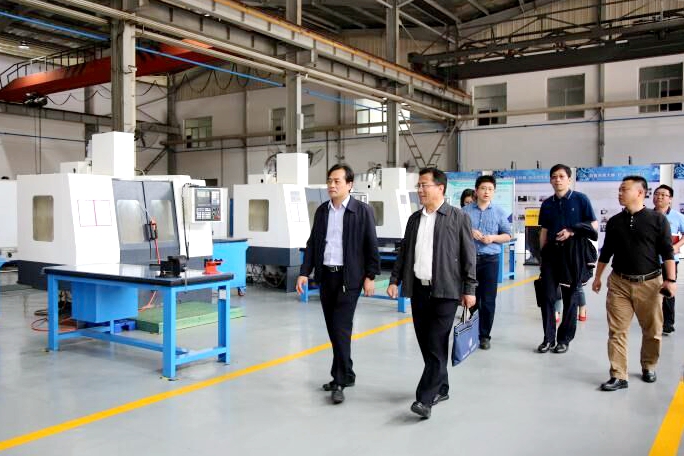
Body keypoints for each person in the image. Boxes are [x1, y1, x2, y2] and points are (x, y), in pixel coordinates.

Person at [387, 167, 477, 419]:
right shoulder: (414, 219)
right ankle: (442, 387)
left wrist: (469, 289)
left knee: (436, 343)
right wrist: (394, 280)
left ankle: (424, 399)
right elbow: (404, 253)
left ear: (440, 188)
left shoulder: (458, 217)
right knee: (428, 345)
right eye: (418, 185)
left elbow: (469, 256)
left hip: (446, 291)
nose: (420, 190)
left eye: (424, 185)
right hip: (419, 290)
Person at [296, 164, 380, 404]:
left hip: (349, 278)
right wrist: (304, 272)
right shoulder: (322, 211)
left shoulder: (362, 211)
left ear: (349, 184)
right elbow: (313, 243)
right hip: (326, 277)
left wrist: (370, 276)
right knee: (334, 329)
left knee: (341, 328)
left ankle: (339, 381)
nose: (331, 185)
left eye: (337, 181)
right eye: (329, 181)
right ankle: (348, 372)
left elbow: (371, 244)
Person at [592, 176, 676, 391]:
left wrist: (671, 280)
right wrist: (598, 277)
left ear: (640, 193)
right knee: (617, 331)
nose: (620, 193)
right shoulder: (614, 222)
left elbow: (667, 253)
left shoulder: (658, 220)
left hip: (650, 283)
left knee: (653, 330)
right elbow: (606, 253)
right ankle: (619, 375)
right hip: (619, 283)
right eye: (619, 189)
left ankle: (649, 365)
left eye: (624, 189)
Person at [537, 164, 598, 354]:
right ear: (550, 180)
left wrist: (572, 231)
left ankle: (564, 339)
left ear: (569, 179)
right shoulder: (547, 204)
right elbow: (544, 231)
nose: (557, 180)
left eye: (561, 176)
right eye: (554, 176)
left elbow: (594, 225)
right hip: (551, 255)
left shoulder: (581, 199)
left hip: (573, 254)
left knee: (570, 298)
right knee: (547, 297)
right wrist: (542, 257)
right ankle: (548, 338)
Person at [462, 175, 511, 350]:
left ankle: (484, 336)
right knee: (471, 297)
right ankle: (473, 331)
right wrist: (470, 231)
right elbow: (456, 231)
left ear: (494, 192)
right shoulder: (465, 211)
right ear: (476, 190)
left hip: (490, 260)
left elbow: (508, 235)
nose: (486, 192)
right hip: (470, 260)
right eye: (483, 188)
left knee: (488, 300)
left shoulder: (499, 212)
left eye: (490, 189)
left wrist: (493, 238)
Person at [652, 184, 684, 334]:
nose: (659, 197)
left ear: (670, 199)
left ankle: (668, 323)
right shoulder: (646, 215)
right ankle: (653, 320)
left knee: (667, 290)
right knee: (650, 291)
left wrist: (677, 246)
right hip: (649, 260)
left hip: (669, 261)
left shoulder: (678, 217)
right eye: (657, 194)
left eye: (663, 195)